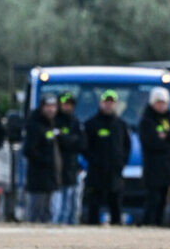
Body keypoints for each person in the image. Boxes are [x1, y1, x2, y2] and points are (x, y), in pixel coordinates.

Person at [82, 89, 131, 225]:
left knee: (115, 205)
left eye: (111, 102)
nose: (108, 105)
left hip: (114, 173)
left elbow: (127, 146)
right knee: (94, 206)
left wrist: (121, 162)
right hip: (96, 173)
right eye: (106, 102)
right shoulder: (91, 124)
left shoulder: (121, 125)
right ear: (100, 103)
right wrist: (94, 160)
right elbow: (85, 146)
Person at [138, 87, 170, 226]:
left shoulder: (169, 119)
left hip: (168, 168)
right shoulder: (146, 120)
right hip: (153, 169)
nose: (161, 105)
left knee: (164, 200)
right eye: (158, 102)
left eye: (163, 102)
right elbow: (151, 142)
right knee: (153, 199)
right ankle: (149, 225)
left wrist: (167, 136)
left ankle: (160, 224)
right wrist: (169, 141)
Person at [23, 94, 61, 223]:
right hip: (38, 179)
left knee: (49, 213)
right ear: (42, 107)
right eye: (48, 106)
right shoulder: (34, 124)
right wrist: (46, 161)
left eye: (53, 106)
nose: (51, 109)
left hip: (51, 178)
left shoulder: (53, 124)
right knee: (35, 213)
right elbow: (28, 150)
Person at [53, 92, 85, 225]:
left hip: (72, 169)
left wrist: (66, 139)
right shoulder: (54, 120)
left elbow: (82, 143)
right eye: (65, 104)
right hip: (57, 170)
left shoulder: (75, 121)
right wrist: (71, 140)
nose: (67, 107)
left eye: (70, 104)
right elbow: (59, 141)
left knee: (72, 207)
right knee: (59, 208)